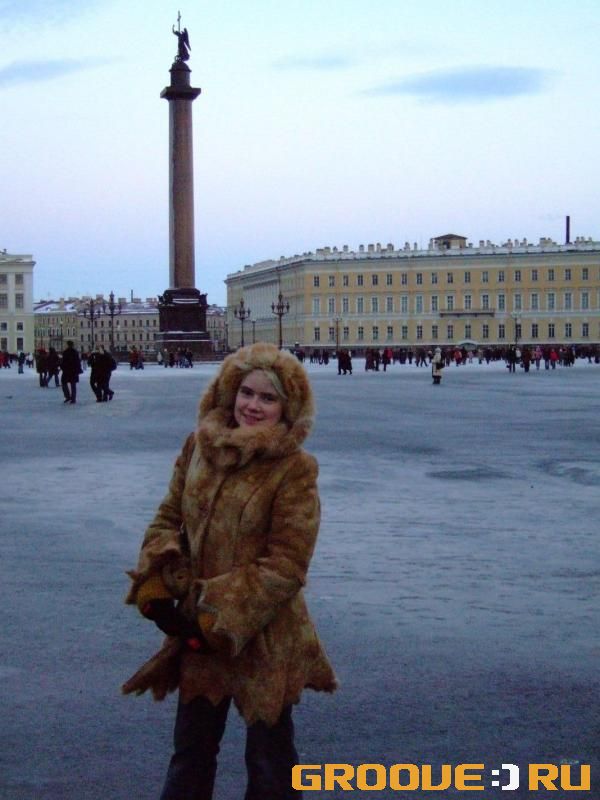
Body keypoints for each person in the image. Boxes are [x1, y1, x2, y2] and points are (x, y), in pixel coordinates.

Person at [123, 343, 337, 799]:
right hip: (196, 635)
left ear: (287, 408)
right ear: (229, 392)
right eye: (247, 392)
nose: (253, 406)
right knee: (190, 756)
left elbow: (287, 563)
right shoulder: (200, 447)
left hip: (264, 635)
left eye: (268, 398)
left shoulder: (294, 469)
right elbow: (167, 517)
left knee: (270, 763)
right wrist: (159, 577)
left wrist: (217, 615)